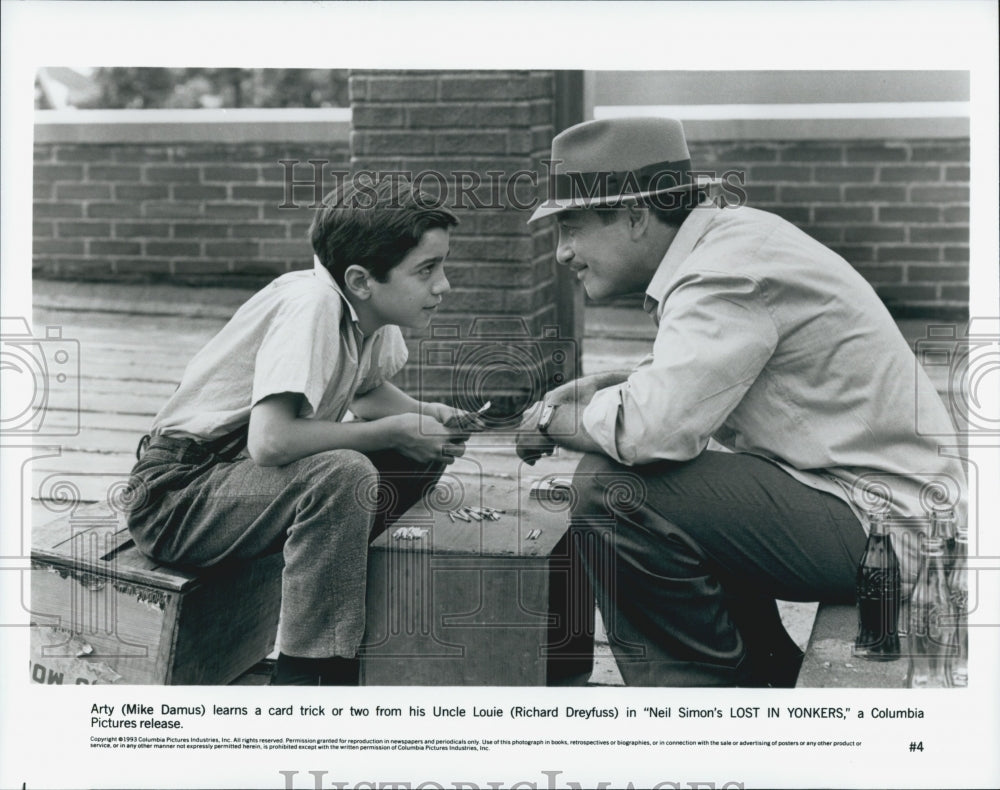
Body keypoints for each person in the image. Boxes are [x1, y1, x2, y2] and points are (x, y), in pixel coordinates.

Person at [517, 117, 967, 686]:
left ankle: (700, 711)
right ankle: (761, 671)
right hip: (883, 505)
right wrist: (612, 385)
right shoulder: (730, 243)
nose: (561, 252)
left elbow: (654, 429)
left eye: (571, 227)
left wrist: (551, 419)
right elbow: (699, 384)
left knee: (612, 492)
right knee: (670, 481)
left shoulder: (721, 272)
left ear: (635, 215)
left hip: (890, 526)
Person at [125, 176, 480, 685]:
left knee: (418, 450)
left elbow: (362, 389)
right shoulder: (311, 304)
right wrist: (392, 431)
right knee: (343, 473)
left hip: (234, 483)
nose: (443, 284)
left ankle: (346, 610)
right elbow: (270, 442)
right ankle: (309, 678)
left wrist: (425, 416)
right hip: (177, 496)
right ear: (361, 280)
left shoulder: (365, 311)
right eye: (427, 270)